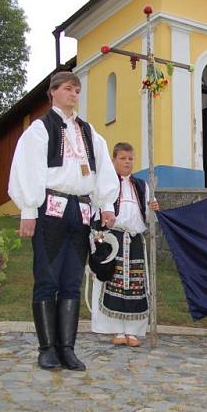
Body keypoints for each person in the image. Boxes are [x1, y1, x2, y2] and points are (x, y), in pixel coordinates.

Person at [8, 71, 119, 371]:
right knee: (47, 277)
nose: (74, 94)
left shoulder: (88, 131)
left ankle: (67, 348)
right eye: (68, 89)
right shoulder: (40, 129)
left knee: (72, 280)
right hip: (51, 208)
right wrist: (28, 210)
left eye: (77, 90)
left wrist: (106, 204)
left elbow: (104, 169)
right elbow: (27, 169)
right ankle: (47, 349)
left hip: (81, 210)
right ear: (53, 92)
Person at [91, 142, 160, 347]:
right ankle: (116, 330)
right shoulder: (105, 184)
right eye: (122, 158)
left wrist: (153, 208)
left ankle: (133, 331)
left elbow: (147, 217)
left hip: (135, 239)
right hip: (113, 239)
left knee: (135, 286)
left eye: (130, 158)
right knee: (112, 281)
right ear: (114, 160)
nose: (127, 162)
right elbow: (97, 213)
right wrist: (98, 242)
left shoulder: (142, 186)